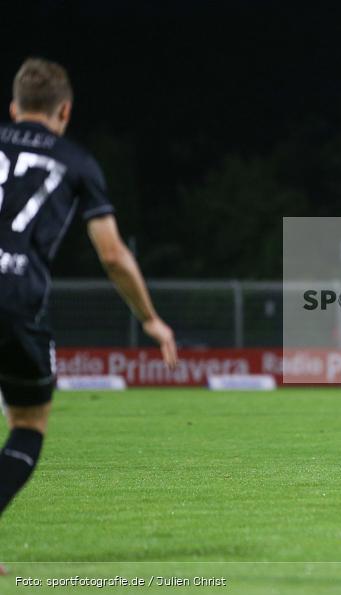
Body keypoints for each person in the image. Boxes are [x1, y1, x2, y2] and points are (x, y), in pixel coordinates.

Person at [0, 58, 177, 532]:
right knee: (27, 424)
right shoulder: (76, 162)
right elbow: (114, 256)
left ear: (14, 107)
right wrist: (149, 318)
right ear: (64, 113)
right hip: (16, 299)